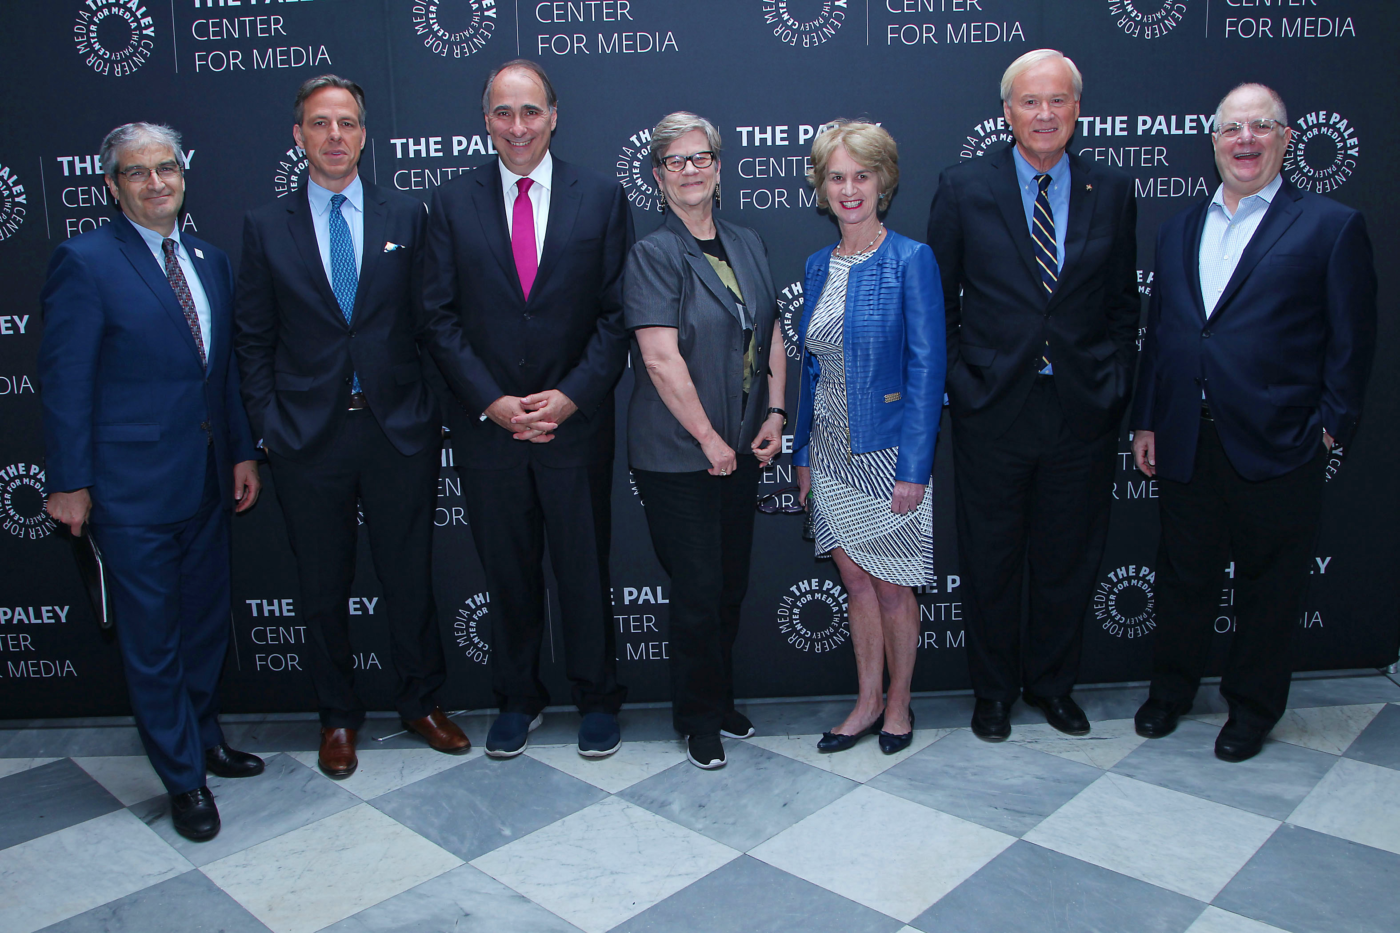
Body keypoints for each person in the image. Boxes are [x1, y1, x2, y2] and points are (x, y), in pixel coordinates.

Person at [234, 75, 471, 779]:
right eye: (319, 123)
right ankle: (337, 716)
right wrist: (268, 425)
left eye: (346, 123)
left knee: (408, 575)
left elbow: (433, 322)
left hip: (398, 428)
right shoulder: (263, 227)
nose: (334, 135)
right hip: (308, 436)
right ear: (299, 136)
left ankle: (421, 702)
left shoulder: (408, 216)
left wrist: (431, 412)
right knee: (321, 583)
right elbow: (252, 340)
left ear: (365, 135)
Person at [1131, 83, 1376, 762]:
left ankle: (1252, 707)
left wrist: (1331, 426)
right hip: (1186, 435)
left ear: (1286, 139)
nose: (1245, 141)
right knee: (1183, 576)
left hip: (1280, 440)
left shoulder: (1330, 225)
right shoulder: (1180, 226)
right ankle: (1171, 692)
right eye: (1232, 129)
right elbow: (1166, 332)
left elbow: (1352, 341)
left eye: (1261, 127)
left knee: (1271, 586)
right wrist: (1148, 417)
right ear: (1212, 141)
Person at [39, 123, 264, 841]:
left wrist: (240, 453)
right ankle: (182, 777)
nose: (155, 182)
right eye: (137, 173)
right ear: (112, 185)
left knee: (202, 627)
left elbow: (218, 372)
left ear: (183, 175)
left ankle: (203, 739)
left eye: (165, 167)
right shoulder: (84, 261)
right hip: (128, 491)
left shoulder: (208, 259)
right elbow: (65, 382)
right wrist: (69, 482)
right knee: (152, 639)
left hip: (204, 482)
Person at [423, 59, 633, 759]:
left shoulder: (600, 197)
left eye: (531, 111)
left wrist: (570, 396)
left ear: (553, 115)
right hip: (490, 430)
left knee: (582, 568)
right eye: (504, 113)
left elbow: (615, 316)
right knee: (507, 571)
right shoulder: (450, 203)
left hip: (575, 426)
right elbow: (439, 318)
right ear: (486, 120)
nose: (518, 127)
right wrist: (493, 401)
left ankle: (597, 695)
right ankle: (518, 696)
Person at [927, 49, 1138, 741]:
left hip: (1080, 407)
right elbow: (938, 305)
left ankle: (1052, 685)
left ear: (1077, 108)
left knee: (1068, 559)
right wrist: (965, 379)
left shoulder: (1112, 188)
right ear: (1007, 110)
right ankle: (992, 692)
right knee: (988, 562)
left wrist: (1115, 387)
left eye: (1057, 100)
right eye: (1029, 101)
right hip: (994, 407)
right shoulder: (962, 187)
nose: (1044, 114)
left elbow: (1120, 307)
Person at [624, 112, 787, 770]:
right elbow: (660, 358)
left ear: (719, 168)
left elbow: (770, 328)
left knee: (729, 586)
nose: (690, 170)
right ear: (658, 177)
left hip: (743, 448)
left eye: (701, 158)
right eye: (675, 161)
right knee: (695, 588)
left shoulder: (747, 241)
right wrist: (708, 438)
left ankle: (719, 700)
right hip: (678, 455)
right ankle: (697, 719)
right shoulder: (653, 254)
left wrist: (775, 412)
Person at [793, 120, 945, 756]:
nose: (849, 188)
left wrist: (914, 467)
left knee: (892, 585)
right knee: (855, 582)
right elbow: (809, 367)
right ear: (821, 187)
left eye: (862, 175)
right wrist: (801, 454)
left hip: (887, 456)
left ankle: (900, 703)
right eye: (837, 177)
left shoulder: (911, 259)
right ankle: (866, 701)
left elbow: (927, 368)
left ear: (883, 183)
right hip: (828, 453)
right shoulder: (816, 264)